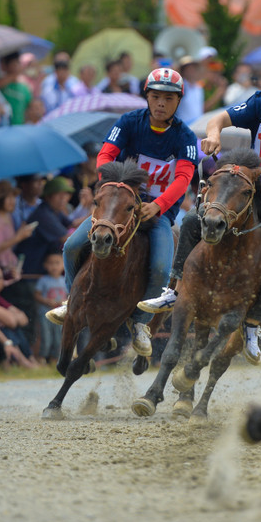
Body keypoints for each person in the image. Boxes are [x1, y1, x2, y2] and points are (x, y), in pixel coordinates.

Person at [139, 54, 261, 363]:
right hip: (248, 196)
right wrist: (214, 135)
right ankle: (175, 290)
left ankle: (253, 322)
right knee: (194, 221)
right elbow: (218, 118)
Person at [46, 68, 198, 360]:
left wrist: (158, 206)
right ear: (147, 97)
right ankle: (70, 301)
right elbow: (105, 155)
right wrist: (111, 184)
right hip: (118, 207)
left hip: (156, 214)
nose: (161, 104)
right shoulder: (128, 122)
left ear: (178, 102)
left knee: (160, 269)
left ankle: (141, 325)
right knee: (71, 246)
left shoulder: (186, 136)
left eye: (168, 98)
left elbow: (183, 178)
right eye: (155, 97)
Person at [33, 252, 68, 365]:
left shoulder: (65, 280)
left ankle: (54, 359)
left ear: (63, 265)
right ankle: (42, 358)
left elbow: (68, 296)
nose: (54, 266)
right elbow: (37, 295)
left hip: (60, 315)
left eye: (57, 263)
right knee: (45, 336)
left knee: (59, 337)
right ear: (45, 266)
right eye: (51, 263)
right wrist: (46, 301)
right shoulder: (43, 280)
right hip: (45, 314)